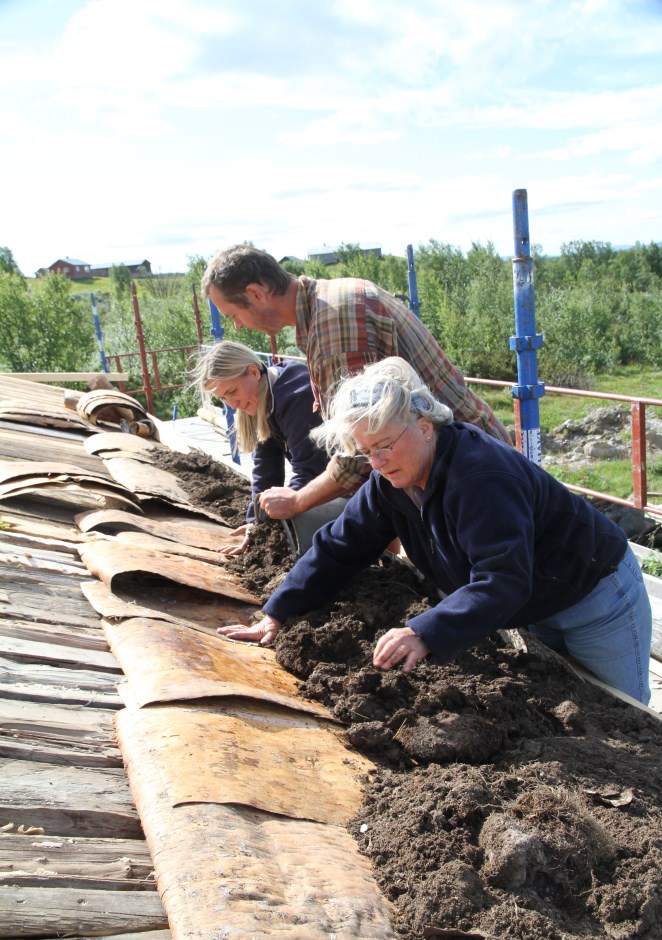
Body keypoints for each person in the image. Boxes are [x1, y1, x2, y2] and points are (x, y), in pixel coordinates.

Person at [218, 357, 653, 706]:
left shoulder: (480, 477)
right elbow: (340, 545)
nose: (379, 461)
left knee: (624, 713)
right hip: (536, 598)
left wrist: (424, 631)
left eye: (385, 445)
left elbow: (502, 579)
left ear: (425, 426)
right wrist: (278, 610)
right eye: (367, 452)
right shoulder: (391, 481)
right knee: (569, 696)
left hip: (596, 595)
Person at [201, 245, 512, 521]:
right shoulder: (327, 306)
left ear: (256, 294)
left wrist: (298, 500)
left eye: (234, 314)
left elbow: (361, 449)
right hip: (452, 469)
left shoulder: (335, 326)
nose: (238, 326)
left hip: (472, 477)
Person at [195, 340, 330, 554]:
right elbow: (266, 470)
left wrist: (274, 512)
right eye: (223, 398)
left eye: (232, 391)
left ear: (253, 372)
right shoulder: (263, 396)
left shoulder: (296, 396)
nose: (232, 405)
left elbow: (312, 469)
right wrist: (255, 523)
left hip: (360, 480)